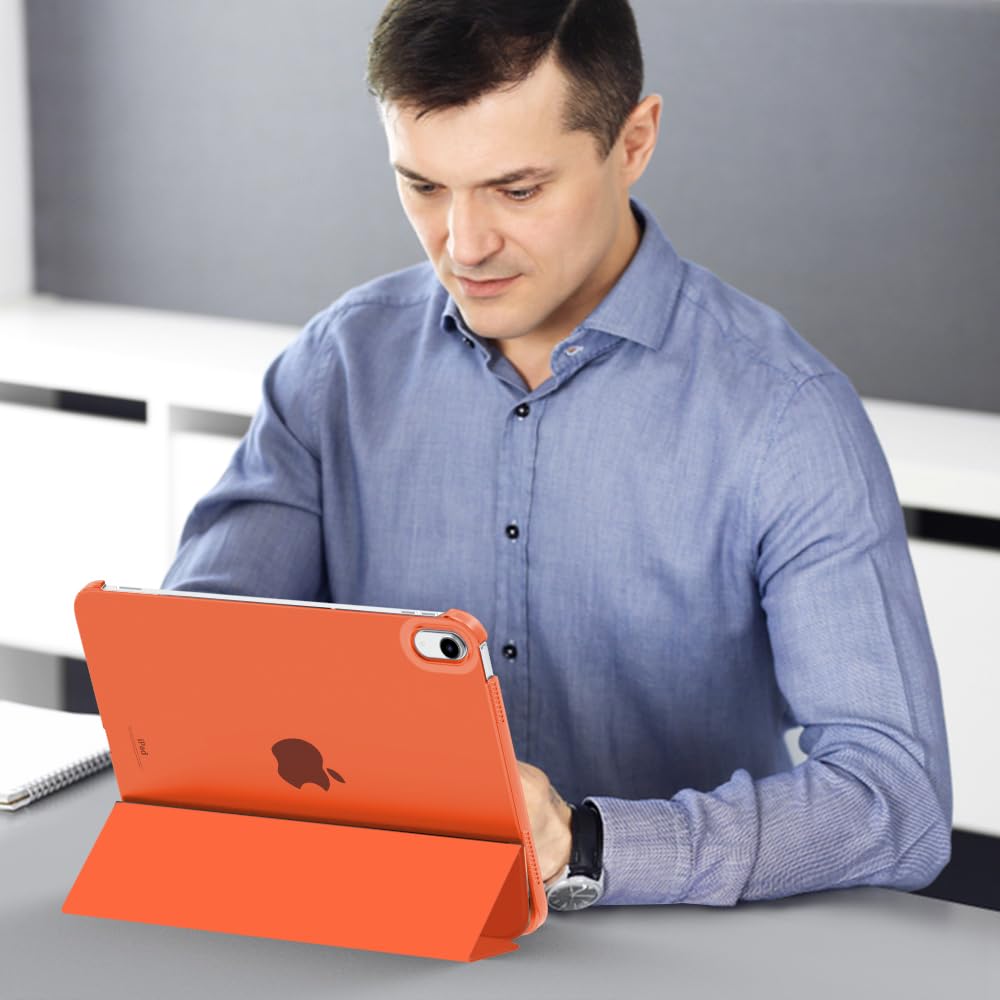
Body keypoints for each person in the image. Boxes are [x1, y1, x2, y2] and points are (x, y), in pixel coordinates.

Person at [162, 0, 951, 910]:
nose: (464, 246)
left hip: (677, 949)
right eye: (424, 186)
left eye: (518, 190)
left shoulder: (784, 413)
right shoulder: (336, 368)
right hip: (377, 917)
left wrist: (588, 844)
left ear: (633, 141)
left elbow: (897, 798)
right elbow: (189, 662)